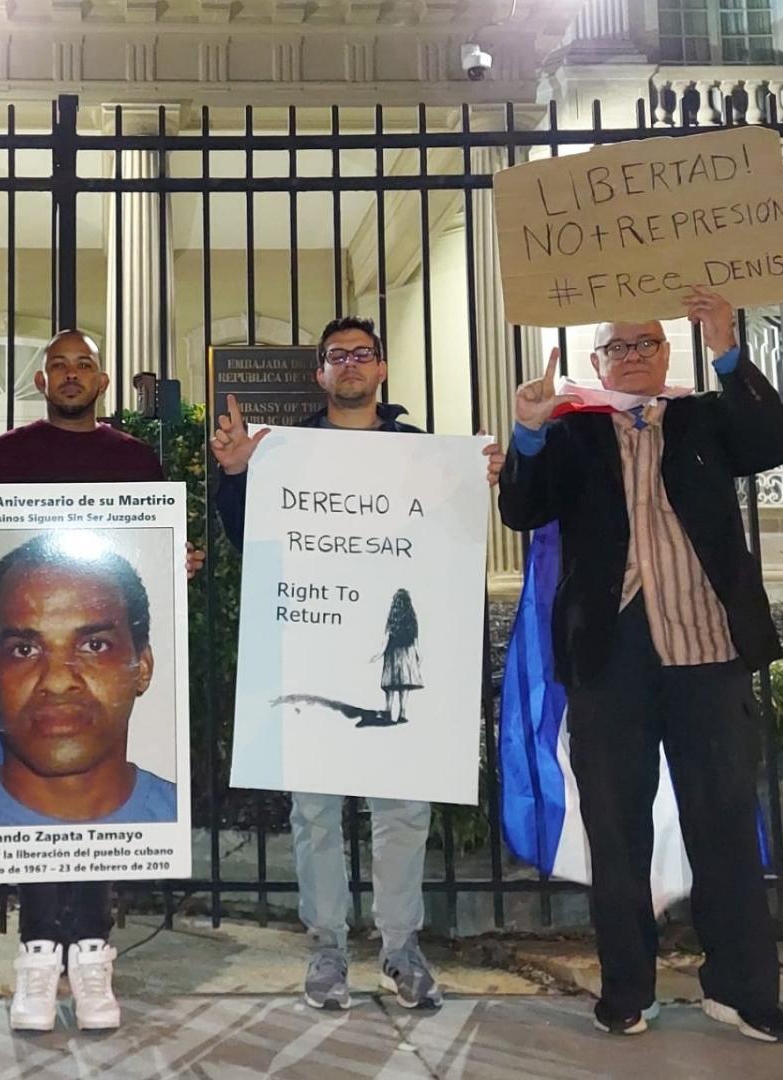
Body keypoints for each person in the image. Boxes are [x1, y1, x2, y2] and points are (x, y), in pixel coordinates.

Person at [496, 286, 783, 1043]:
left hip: (707, 645)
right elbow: (523, 510)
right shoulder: (573, 433)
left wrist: (729, 349)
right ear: (597, 362)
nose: (631, 357)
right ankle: (627, 989)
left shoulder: (703, 416)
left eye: (645, 344)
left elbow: (774, 442)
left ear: (666, 353)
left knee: (723, 818)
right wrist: (528, 433)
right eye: (617, 348)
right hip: (609, 650)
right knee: (616, 827)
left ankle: (742, 988)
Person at [210, 314, 505, 1013]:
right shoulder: (285, 453)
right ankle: (328, 950)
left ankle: (401, 948)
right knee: (315, 813)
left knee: (402, 808)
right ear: (320, 373)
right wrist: (233, 478)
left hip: (398, 648)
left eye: (361, 354)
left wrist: (482, 480)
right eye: (336, 355)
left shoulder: (423, 452)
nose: (349, 365)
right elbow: (248, 540)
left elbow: (453, 543)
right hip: (316, 647)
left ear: (380, 370)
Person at [0, 329, 201, 1034]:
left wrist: (177, 563)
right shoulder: (5, 457)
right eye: (59, 365)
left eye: (84, 364)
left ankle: (92, 955)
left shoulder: (132, 459)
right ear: (40, 382)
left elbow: (149, 542)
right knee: (42, 798)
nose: (72, 374)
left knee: (90, 800)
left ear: (101, 382)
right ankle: (41, 957)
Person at [0, 534, 175, 828]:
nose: (57, 682)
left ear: (142, 667)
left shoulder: (189, 828)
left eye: (94, 646)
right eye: (24, 650)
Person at [374, 589, 421, 727]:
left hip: (392, 653)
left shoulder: (392, 618)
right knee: (404, 684)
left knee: (390, 684)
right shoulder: (412, 619)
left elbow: (385, 639)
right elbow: (416, 640)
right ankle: (402, 714)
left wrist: (377, 655)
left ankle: (388, 711)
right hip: (407, 654)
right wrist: (419, 656)